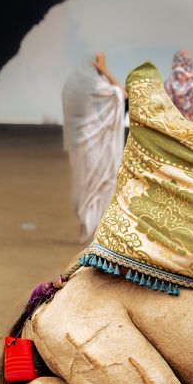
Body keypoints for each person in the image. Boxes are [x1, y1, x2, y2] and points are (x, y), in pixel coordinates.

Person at [61, 52, 125, 243]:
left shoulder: (71, 84)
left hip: (80, 142)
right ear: (94, 63)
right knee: (100, 181)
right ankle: (91, 229)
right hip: (97, 142)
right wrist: (105, 71)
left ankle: (87, 224)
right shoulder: (96, 85)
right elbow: (123, 93)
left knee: (85, 182)